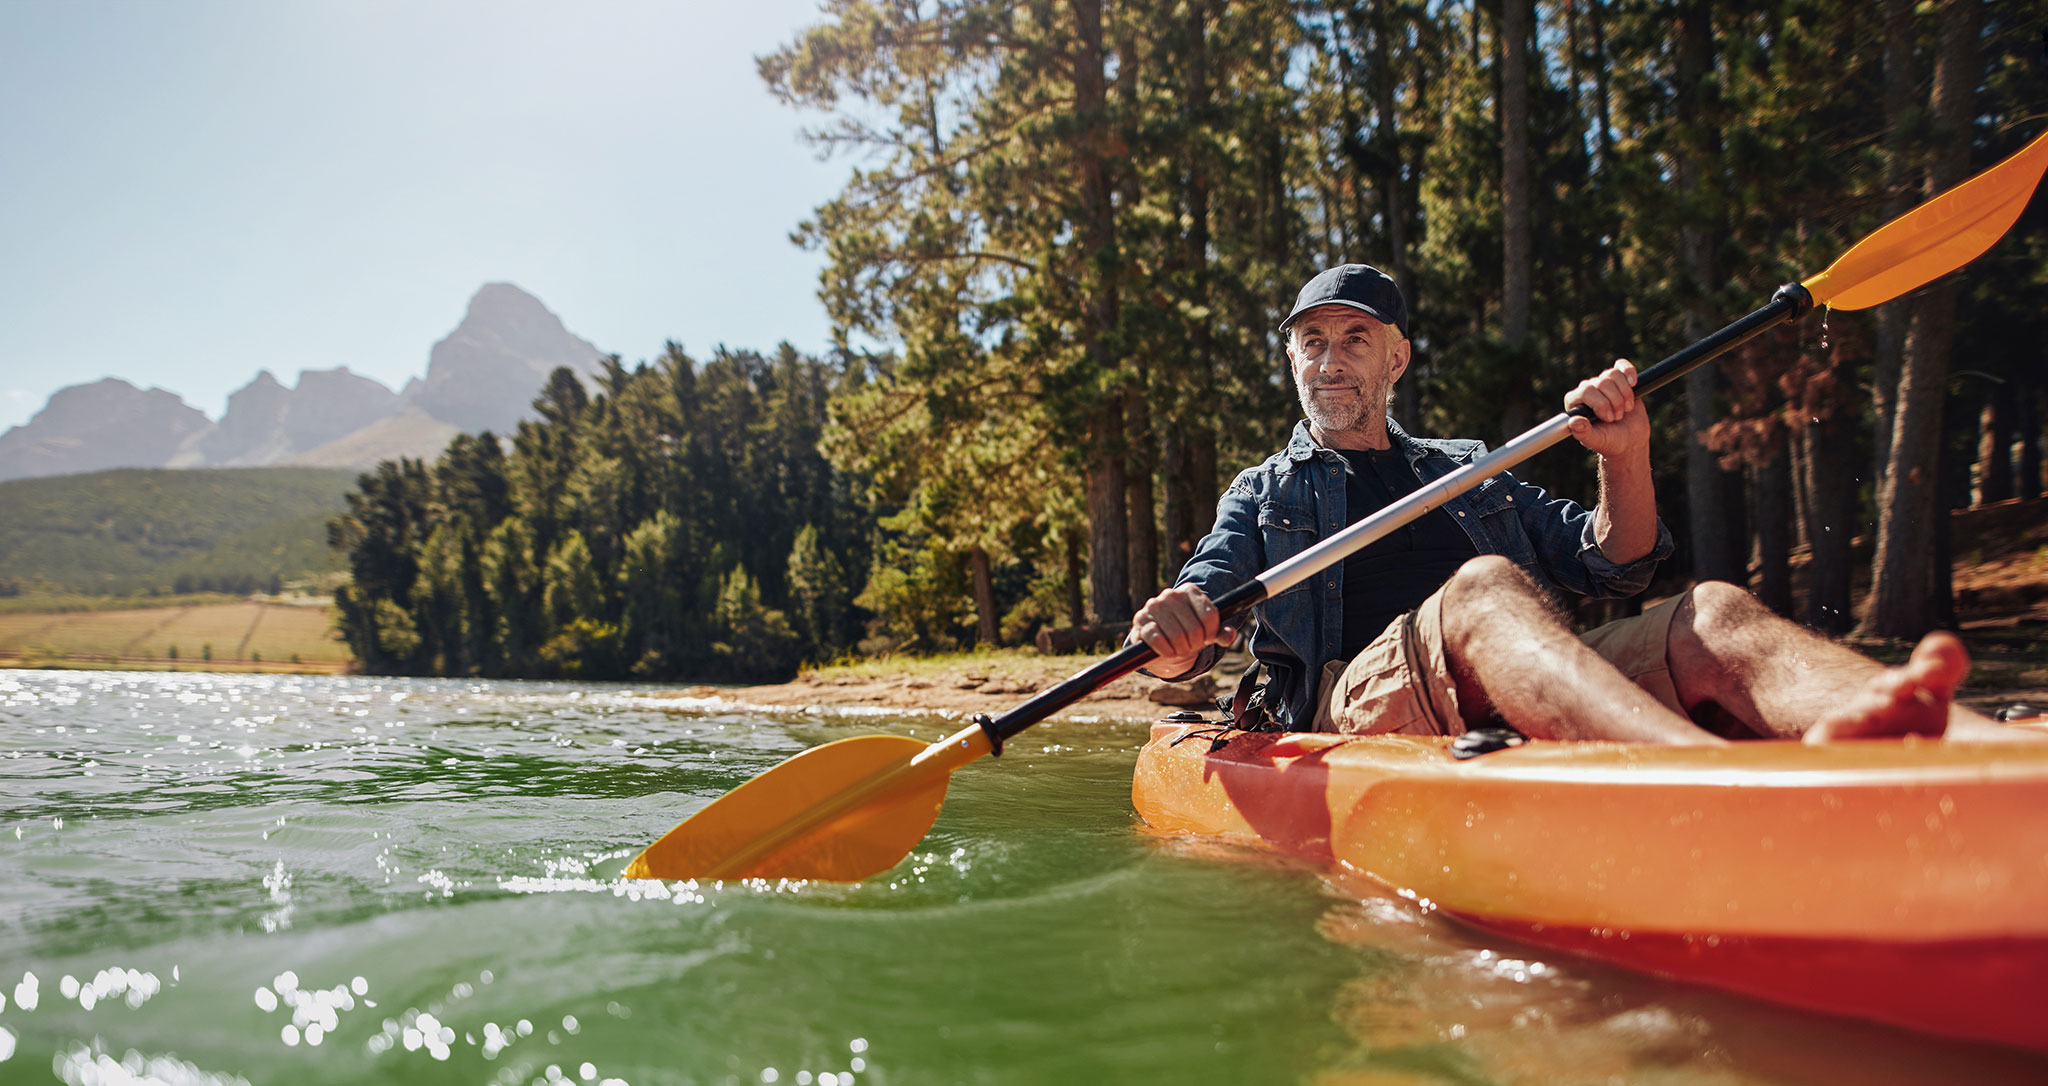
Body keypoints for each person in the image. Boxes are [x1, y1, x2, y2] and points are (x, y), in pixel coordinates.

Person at [1130, 263, 2018, 744]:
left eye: (1354, 338)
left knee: (1712, 612)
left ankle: (1983, 751)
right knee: (1482, 591)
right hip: (1355, 703)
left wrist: (1625, 455)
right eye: (1312, 342)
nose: (1329, 360)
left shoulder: (1467, 471)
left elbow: (1619, 560)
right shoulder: (1263, 493)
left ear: (1395, 360)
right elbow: (1190, 630)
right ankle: (1702, 785)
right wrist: (1171, 638)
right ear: (1292, 361)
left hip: (1501, 682)